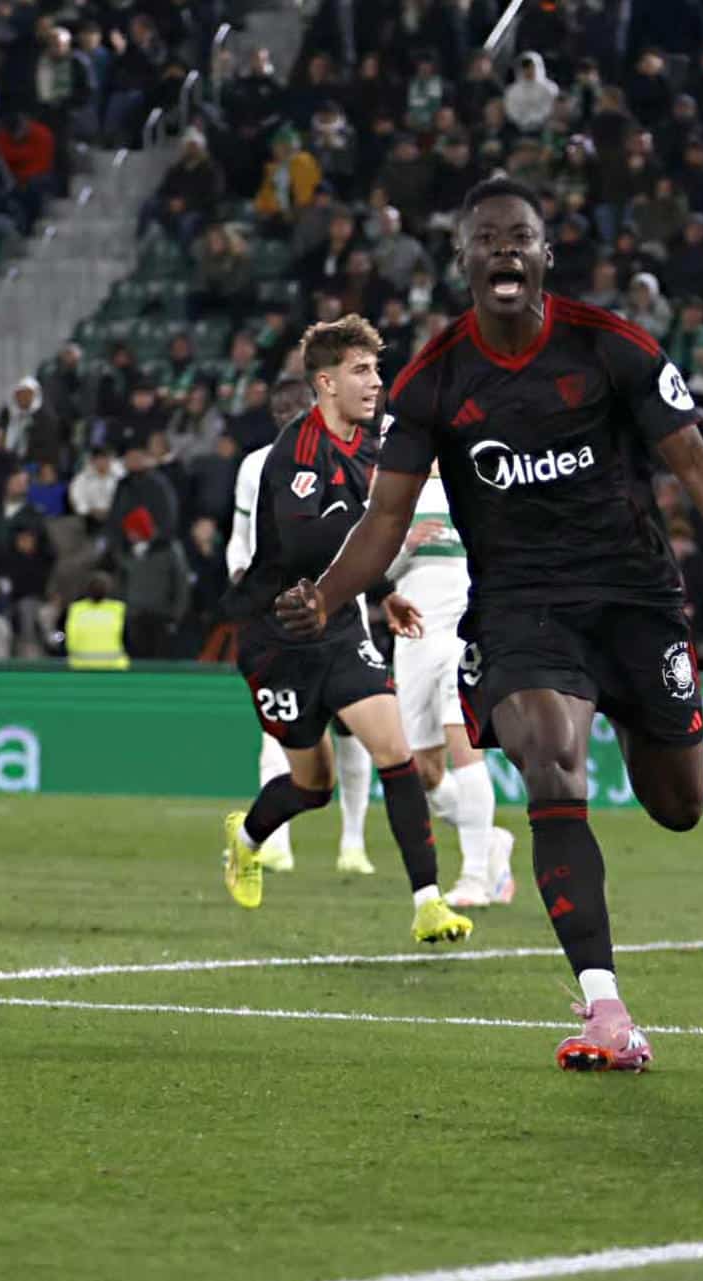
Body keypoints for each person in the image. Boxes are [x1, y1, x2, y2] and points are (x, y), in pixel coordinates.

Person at [276, 178, 703, 1072]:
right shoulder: (434, 379)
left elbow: (692, 462)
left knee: (678, 804)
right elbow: (384, 518)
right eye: (486, 237)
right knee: (550, 760)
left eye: (519, 236)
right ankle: (606, 1009)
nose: (504, 248)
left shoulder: (611, 346)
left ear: (544, 254)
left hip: (635, 596)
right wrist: (329, 596)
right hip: (523, 606)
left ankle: (647, 718)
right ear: (463, 259)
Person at [221, 317, 473, 947]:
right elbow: (307, 542)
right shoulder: (298, 453)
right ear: (326, 383)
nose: (376, 382)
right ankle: (246, 839)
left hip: (334, 625)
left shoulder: (369, 441)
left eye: (377, 370)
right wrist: (383, 537)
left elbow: (352, 550)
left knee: (395, 753)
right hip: (276, 634)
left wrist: (382, 592)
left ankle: (428, 902)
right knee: (314, 787)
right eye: (362, 371)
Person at [227, 376, 376, 876]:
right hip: (278, 613)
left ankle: (353, 843)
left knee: (353, 728)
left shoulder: (346, 458)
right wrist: (242, 578)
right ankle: (276, 844)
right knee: (280, 731)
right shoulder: (256, 465)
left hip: (340, 606)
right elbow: (240, 538)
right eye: (282, 414)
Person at [384, 457, 518, 908]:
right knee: (424, 771)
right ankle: (491, 840)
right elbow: (374, 574)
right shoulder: (393, 494)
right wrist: (405, 545)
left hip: (464, 639)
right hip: (413, 642)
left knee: (466, 748)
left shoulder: (478, 487)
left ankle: (475, 877)